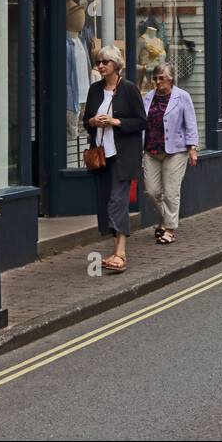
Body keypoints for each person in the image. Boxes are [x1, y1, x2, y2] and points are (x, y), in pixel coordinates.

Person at [83, 45, 146, 273]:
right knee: (105, 202)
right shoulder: (94, 90)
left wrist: (116, 122)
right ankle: (117, 250)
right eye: (99, 62)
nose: (101, 66)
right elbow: (86, 121)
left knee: (117, 202)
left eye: (105, 62)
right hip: (101, 156)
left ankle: (120, 253)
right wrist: (93, 122)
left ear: (116, 65)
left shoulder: (129, 89)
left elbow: (141, 122)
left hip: (124, 155)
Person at [142, 64, 199, 246]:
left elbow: (191, 123)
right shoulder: (148, 97)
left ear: (171, 79)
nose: (158, 82)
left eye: (162, 78)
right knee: (152, 191)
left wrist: (192, 148)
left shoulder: (182, 97)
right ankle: (165, 220)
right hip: (150, 150)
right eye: (155, 78)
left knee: (171, 192)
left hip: (175, 151)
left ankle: (170, 230)